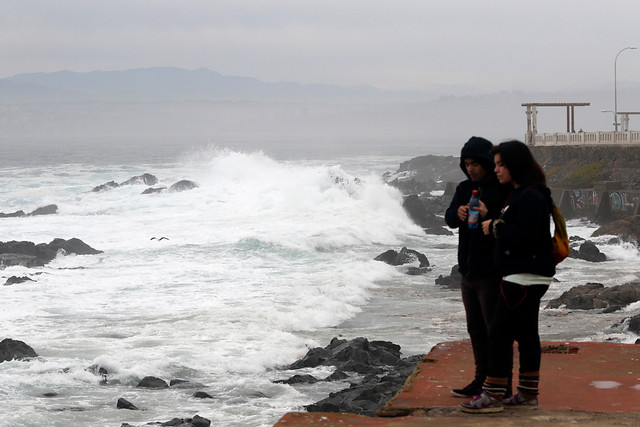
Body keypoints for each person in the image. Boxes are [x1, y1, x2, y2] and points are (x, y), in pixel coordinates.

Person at [460, 140, 555, 413]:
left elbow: (527, 233)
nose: (497, 169)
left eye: (501, 164)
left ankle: (492, 395)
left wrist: (496, 227)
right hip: (527, 275)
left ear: (515, 165)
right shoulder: (526, 193)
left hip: (523, 277)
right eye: (497, 164)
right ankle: (527, 393)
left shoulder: (529, 196)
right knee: (526, 334)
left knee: (499, 334)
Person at [444, 136, 508, 398]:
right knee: (476, 329)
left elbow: (508, 224)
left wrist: (487, 214)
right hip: (468, 271)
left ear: (486, 162)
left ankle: (498, 384)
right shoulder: (463, 188)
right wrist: (457, 213)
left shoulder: (500, 189)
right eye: (466, 164)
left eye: (475, 163)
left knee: (495, 330)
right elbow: (448, 219)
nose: (471, 168)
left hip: (491, 271)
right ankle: (480, 380)